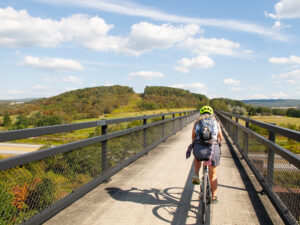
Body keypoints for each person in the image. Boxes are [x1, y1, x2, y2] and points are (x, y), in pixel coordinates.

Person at [191, 105, 222, 203]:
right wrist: (219, 143)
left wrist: (196, 143)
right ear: (212, 114)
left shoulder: (197, 123)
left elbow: (193, 136)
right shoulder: (216, 123)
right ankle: (214, 197)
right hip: (212, 150)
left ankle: (196, 174)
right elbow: (220, 136)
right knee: (213, 176)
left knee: (197, 158)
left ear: (200, 114)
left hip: (199, 150)